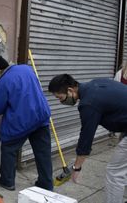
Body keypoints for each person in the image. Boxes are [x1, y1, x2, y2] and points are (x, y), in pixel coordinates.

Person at [48, 74, 127, 203]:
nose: (60, 102)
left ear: (70, 90)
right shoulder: (95, 84)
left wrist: (76, 167)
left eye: (60, 98)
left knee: (114, 174)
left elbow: (86, 137)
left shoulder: (88, 103)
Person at [0, 55, 53, 191]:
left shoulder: (3, 82)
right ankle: (46, 184)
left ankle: (7, 181)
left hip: (22, 121)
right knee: (43, 153)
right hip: (41, 117)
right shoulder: (26, 69)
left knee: (8, 148)